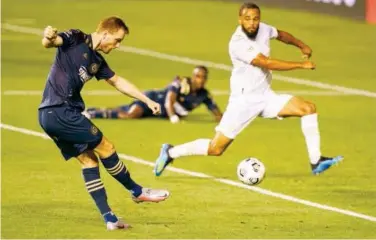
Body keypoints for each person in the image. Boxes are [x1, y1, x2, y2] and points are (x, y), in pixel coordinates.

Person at [154, 2, 343, 177]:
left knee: (308, 108)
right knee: (216, 149)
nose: (252, 23)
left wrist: (302, 45)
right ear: (240, 20)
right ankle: (170, 152)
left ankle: (316, 161)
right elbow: (266, 62)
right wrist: (300, 65)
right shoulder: (237, 43)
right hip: (244, 102)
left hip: (266, 96)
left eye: (255, 18)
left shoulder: (263, 29)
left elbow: (281, 35)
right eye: (247, 19)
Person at [38, 17, 169, 230]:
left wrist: (146, 100)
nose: (117, 46)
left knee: (89, 161)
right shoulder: (76, 37)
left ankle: (110, 219)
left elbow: (117, 81)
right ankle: (137, 191)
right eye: (117, 40)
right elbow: (51, 42)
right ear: (106, 33)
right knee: (106, 147)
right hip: (61, 111)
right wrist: (48, 36)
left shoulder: (96, 61)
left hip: (49, 115)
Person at [84, 66, 223, 123]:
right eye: (198, 76)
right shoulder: (181, 83)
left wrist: (223, 121)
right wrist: (173, 116)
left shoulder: (204, 95)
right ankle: (93, 114)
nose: (200, 79)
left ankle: (93, 110)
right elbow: (169, 100)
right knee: (131, 115)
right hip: (152, 100)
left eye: (203, 77)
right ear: (193, 77)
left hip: (157, 112)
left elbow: (217, 113)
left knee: (126, 110)